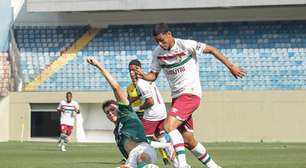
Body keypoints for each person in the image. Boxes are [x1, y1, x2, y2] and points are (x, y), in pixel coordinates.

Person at [135, 23, 247, 168]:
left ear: (169, 34)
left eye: (162, 40)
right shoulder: (158, 53)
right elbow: (153, 75)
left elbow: (212, 49)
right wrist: (143, 75)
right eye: (157, 41)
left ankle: (182, 165)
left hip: (190, 93)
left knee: (168, 126)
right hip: (177, 97)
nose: (160, 44)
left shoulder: (186, 45)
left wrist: (231, 66)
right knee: (188, 141)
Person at [87, 56, 158, 168]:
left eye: (112, 109)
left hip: (143, 152)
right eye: (107, 112)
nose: (110, 113)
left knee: (140, 158)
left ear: (119, 107)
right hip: (131, 160)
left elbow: (116, 88)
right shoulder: (117, 132)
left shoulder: (126, 111)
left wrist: (98, 65)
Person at [128, 59, 175, 166]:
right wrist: (129, 101)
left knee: (141, 139)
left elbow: (150, 102)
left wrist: (136, 108)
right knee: (160, 135)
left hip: (153, 114)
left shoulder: (140, 83)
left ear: (139, 69)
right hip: (162, 111)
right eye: (129, 70)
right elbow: (142, 95)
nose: (131, 72)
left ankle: (166, 147)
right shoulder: (147, 78)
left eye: (134, 70)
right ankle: (176, 163)